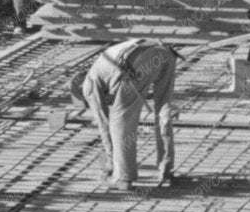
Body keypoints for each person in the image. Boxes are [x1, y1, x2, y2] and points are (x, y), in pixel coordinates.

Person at [76, 40, 180, 191]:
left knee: (120, 121)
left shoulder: (88, 85)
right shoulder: (102, 67)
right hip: (165, 53)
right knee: (163, 109)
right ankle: (166, 167)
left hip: (137, 63)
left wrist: (110, 159)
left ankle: (124, 178)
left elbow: (104, 123)